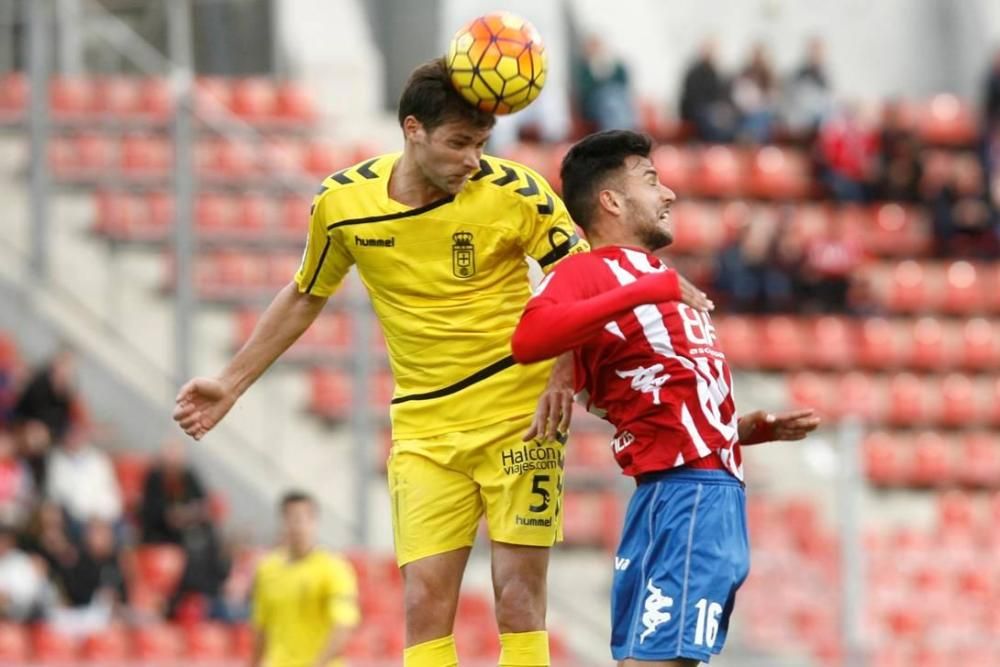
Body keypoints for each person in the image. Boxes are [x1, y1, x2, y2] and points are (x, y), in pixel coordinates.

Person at [174, 56, 598, 667]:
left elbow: (583, 275)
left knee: (518, 595)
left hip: (519, 417)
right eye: (458, 143)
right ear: (412, 130)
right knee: (425, 603)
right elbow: (305, 293)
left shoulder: (515, 191)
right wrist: (232, 383)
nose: (472, 159)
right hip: (425, 430)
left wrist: (565, 370)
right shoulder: (344, 203)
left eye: (480, 143)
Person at [511, 130, 820, 666]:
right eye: (651, 180)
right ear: (610, 200)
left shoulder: (657, 280)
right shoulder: (596, 272)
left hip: (681, 491)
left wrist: (748, 428)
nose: (670, 193)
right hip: (686, 498)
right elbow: (528, 340)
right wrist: (644, 292)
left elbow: (658, 404)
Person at [251, 491, 359, 667]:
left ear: (314, 521)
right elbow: (261, 627)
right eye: (290, 519)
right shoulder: (267, 569)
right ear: (282, 523)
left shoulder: (334, 568)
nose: (296, 526)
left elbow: (343, 625)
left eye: (301, 519)